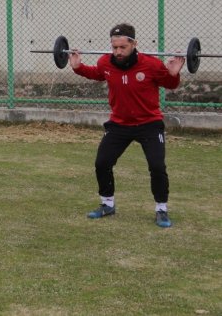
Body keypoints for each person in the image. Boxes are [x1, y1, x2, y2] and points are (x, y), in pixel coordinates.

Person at [69, 23, 185, 228]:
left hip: (149, 124)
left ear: (134, 44)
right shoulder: (105, 62)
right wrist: (78, 68)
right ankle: (107, 204)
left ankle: (161, 209)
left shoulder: (151, 64)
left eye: (122, 47)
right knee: (102, 163)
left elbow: (170, 83)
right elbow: (96, 73)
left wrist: (174, 73)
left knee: (157, 166)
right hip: (119, 124)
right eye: (114, 47)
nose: (118, 52)